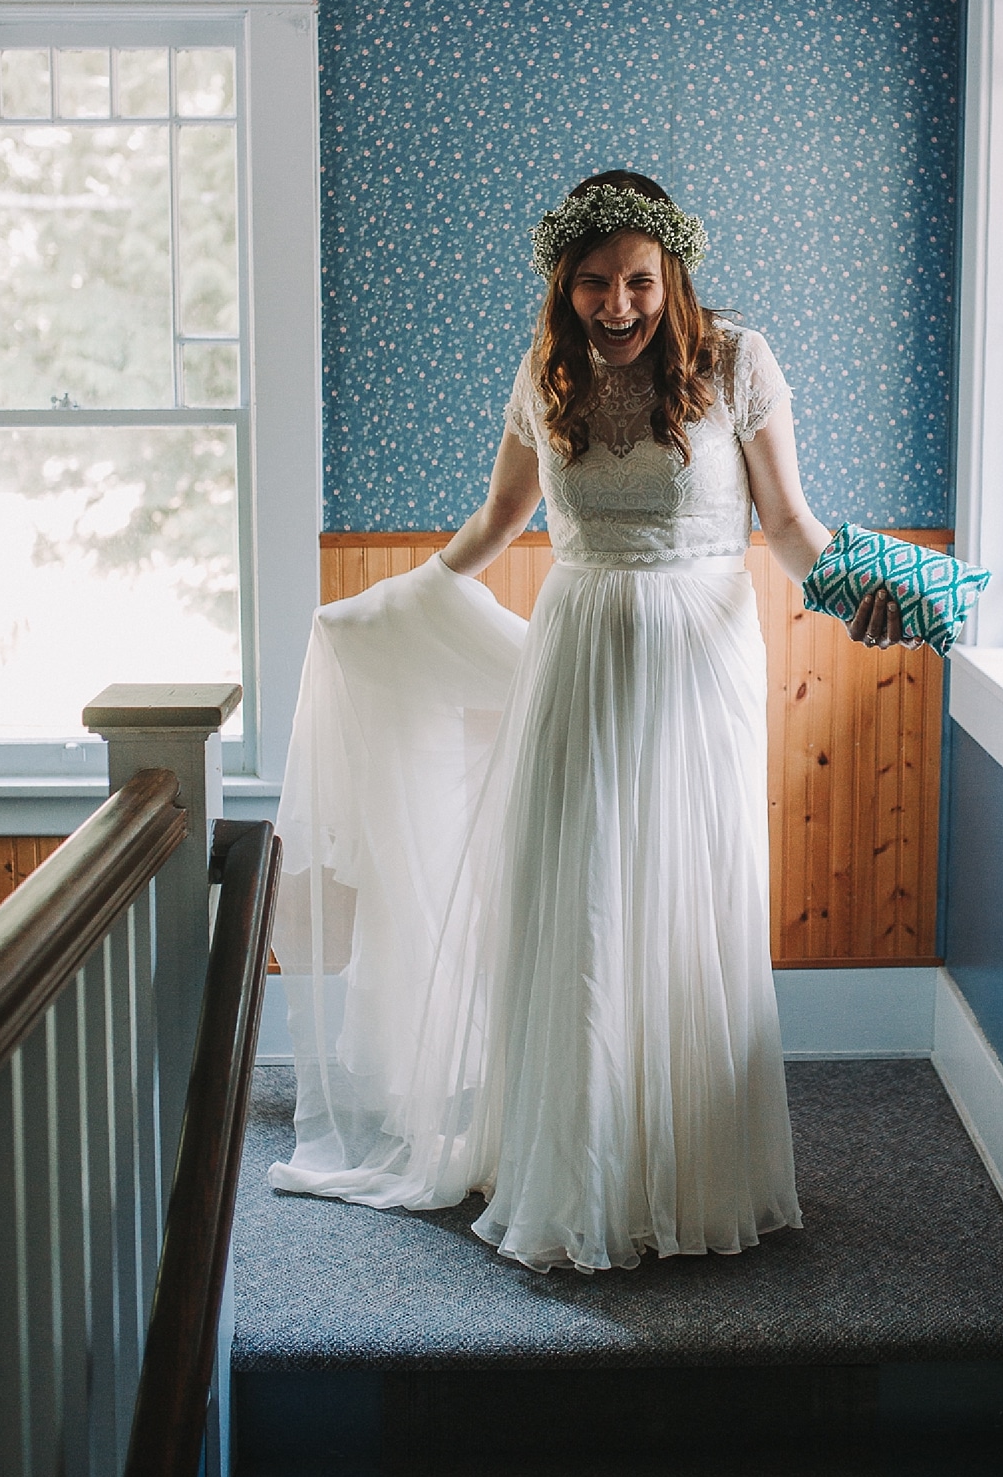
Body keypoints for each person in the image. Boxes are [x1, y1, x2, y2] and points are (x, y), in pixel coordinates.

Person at [269, 171, 909, 1274]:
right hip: (577, 653)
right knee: (584, 897)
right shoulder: (542, 374)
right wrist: (397, 599)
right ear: (564, 287)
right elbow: (500, 516)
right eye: (595, 284)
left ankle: (689, 1166)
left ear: (674, 275)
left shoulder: (737, 363)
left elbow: (793, 527)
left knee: (682, 890)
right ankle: (581, 1170)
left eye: (638, 281)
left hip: (697, 656)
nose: (618, 305)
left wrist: (859, 590)